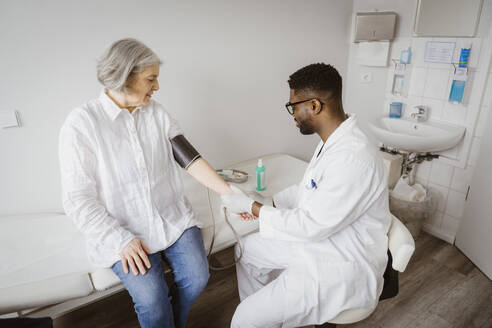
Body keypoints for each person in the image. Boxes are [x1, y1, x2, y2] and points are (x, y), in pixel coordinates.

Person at [59, 38, 232, 328]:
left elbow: (190, 161)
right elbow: (78, 199)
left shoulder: (156, 113)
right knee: (152, 298)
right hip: (122, 229)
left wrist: (231, 195)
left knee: (198, 277)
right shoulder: (82, 124)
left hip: (172, 217)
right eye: (151, 79)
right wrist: (120, 240)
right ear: (125, 77)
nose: (157, 87)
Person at [221, 63, 391, 327]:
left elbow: (310, 225)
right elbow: (308, 188)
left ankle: (261, 316)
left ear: (314, 105)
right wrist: (269, 202)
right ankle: (272, 316)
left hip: (341, 263)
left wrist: (253, 207)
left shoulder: (353, 158)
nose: (292, 114)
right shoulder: (334, 141)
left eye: (293, 106)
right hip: (322, 241)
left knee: (244, 318)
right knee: (246, 248)